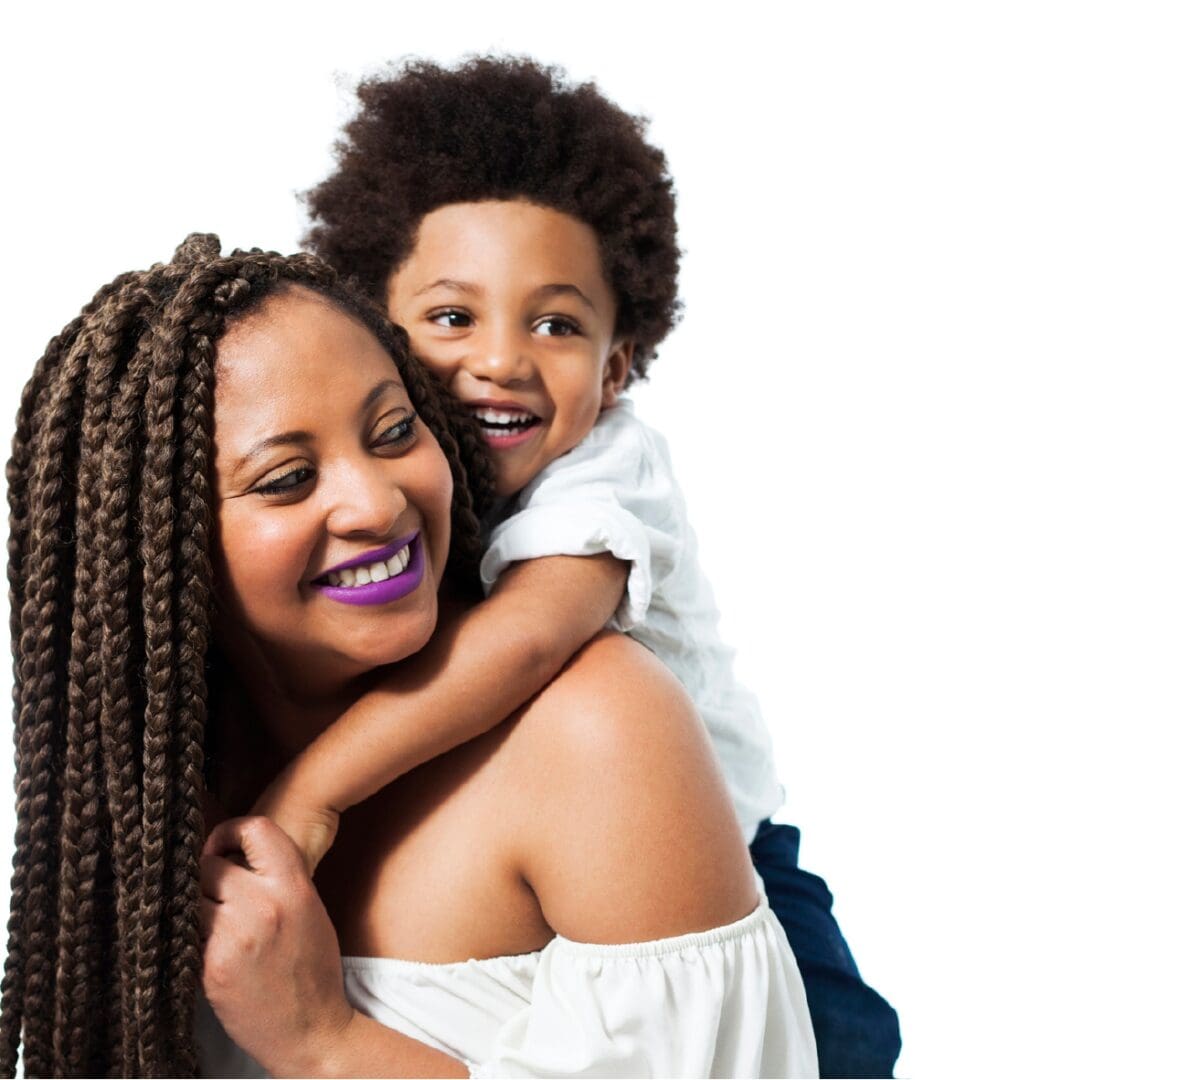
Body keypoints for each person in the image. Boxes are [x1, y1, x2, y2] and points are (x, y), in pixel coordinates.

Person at [0, 235, 817, 1077]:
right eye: (287, 479)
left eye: (394, 431)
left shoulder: (592, 730)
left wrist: (325, 1044)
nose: (377, 502)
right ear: (155, 552)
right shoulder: (142, 803)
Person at [255, 55, 900, 1076]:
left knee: (828, 1049)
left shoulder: (607, 473)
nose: (502, 358)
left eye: (554, 324)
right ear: (375, 330)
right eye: (453, 317)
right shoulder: (396, 476)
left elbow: (521, 642)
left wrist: (311, 792)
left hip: (740, 864)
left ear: (615, 366)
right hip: (581, 867)